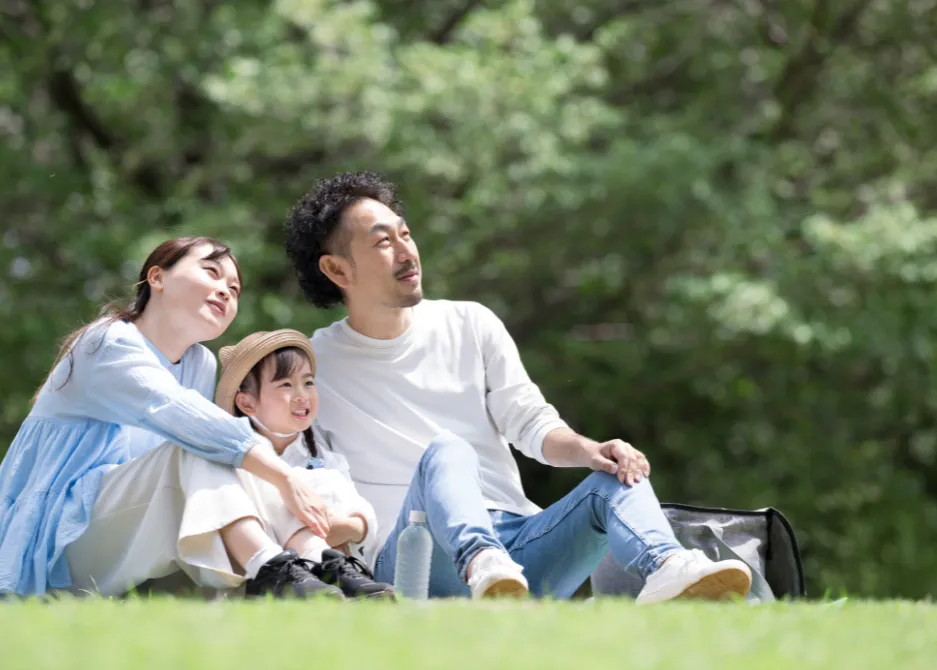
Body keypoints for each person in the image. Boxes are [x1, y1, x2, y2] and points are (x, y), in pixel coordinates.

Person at [283, 172, 754, 602]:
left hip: (519, 553)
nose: (407, 252)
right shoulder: (313, 366)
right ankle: (480, 561)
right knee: (448, 450)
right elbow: (290, 466)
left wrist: (591, 451)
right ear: (338, 271)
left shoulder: (470, 323)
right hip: (414, 558)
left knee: (615, 475)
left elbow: (529, 422)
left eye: (405, 234)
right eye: (383, 242)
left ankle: (669, 567)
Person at [0, 236, 341, 601]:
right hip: (56, 536)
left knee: (211, 455)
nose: (225, 290)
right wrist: (284, 476)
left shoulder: (199, 363)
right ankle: (271, 568)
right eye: (211, 271)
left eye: (235, 289)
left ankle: (314, 562)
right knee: (199, 446)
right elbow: (180, 414)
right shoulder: (107, 341)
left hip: (127, 525)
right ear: (157, 277)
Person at [212, 329, 395, 599]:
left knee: (324, 479)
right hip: (268, 574)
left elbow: (362, 519)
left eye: (308, 382)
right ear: (247, 403)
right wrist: (321, 525)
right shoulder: (235, 465)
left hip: (341, 564)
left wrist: (349, 527)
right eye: (285, 385)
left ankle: (337, 575)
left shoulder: (324, 456)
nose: (301, 395)